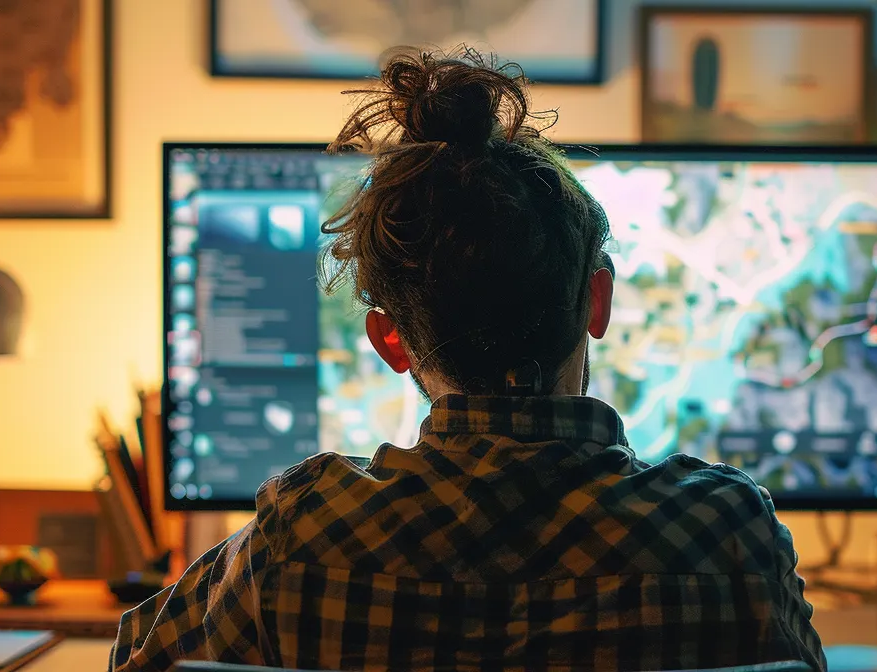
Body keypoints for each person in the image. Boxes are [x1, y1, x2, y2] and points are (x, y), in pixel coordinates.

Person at [110, 47, 827, 672]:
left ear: (390, 340)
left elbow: (134, 660)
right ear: (598, 302)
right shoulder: (729, 536)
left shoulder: (297, 540)